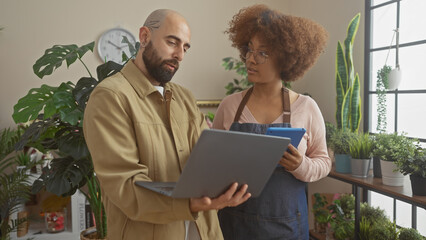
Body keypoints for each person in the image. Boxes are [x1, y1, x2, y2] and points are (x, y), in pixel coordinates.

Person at [83, 9, 250, 240]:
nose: (179, 54)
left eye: (185, 48)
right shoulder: (110, 97)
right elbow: (126, 186)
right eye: (172, 42)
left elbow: (208, 158)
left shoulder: (185, 98)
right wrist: (188, 204)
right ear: (144, 37)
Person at [212, 4, 331, 240]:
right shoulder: (230, 106)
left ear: (285, 58)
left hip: (288, 229)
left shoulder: (306, 107)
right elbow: (212, 163)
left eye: (262, 53)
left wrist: (300, 165)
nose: (251, 60)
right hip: (235, 227)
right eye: (249, 50)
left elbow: (324, 162)